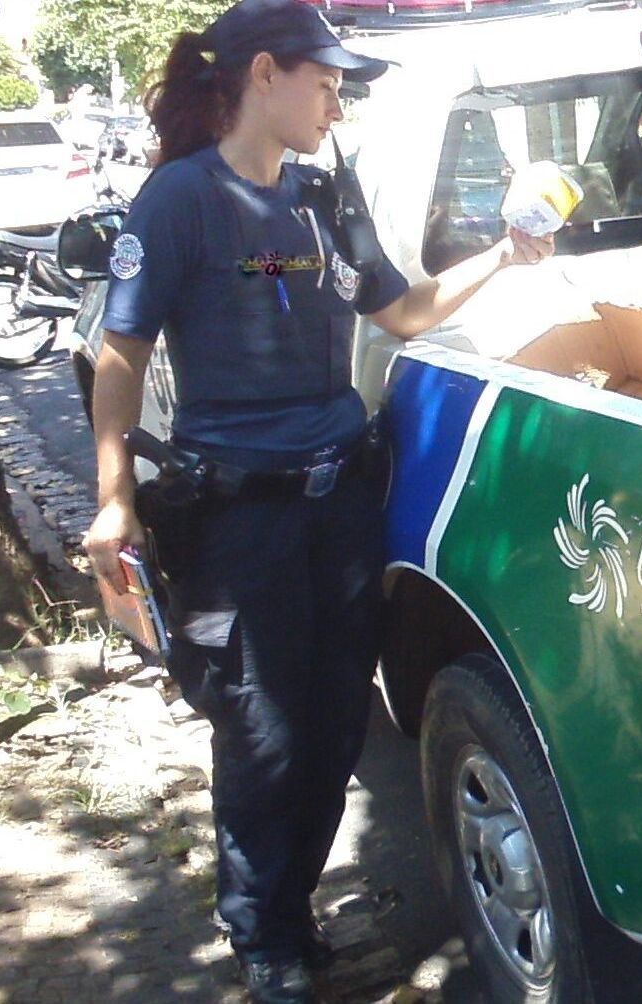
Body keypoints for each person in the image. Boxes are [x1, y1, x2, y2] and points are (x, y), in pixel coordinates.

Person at [79, 2, 554, 1001]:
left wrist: (505, 255)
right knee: (262, 732)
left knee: (338, 723)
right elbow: (119, 352)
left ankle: (290, 914)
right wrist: (112, 499)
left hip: (342, 506)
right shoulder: (180, 199)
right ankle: (265, 937)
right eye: (326, 79)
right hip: (239, 519)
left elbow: (401, 309)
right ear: (265, 74)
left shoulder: (322, 197)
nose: (337, 99)